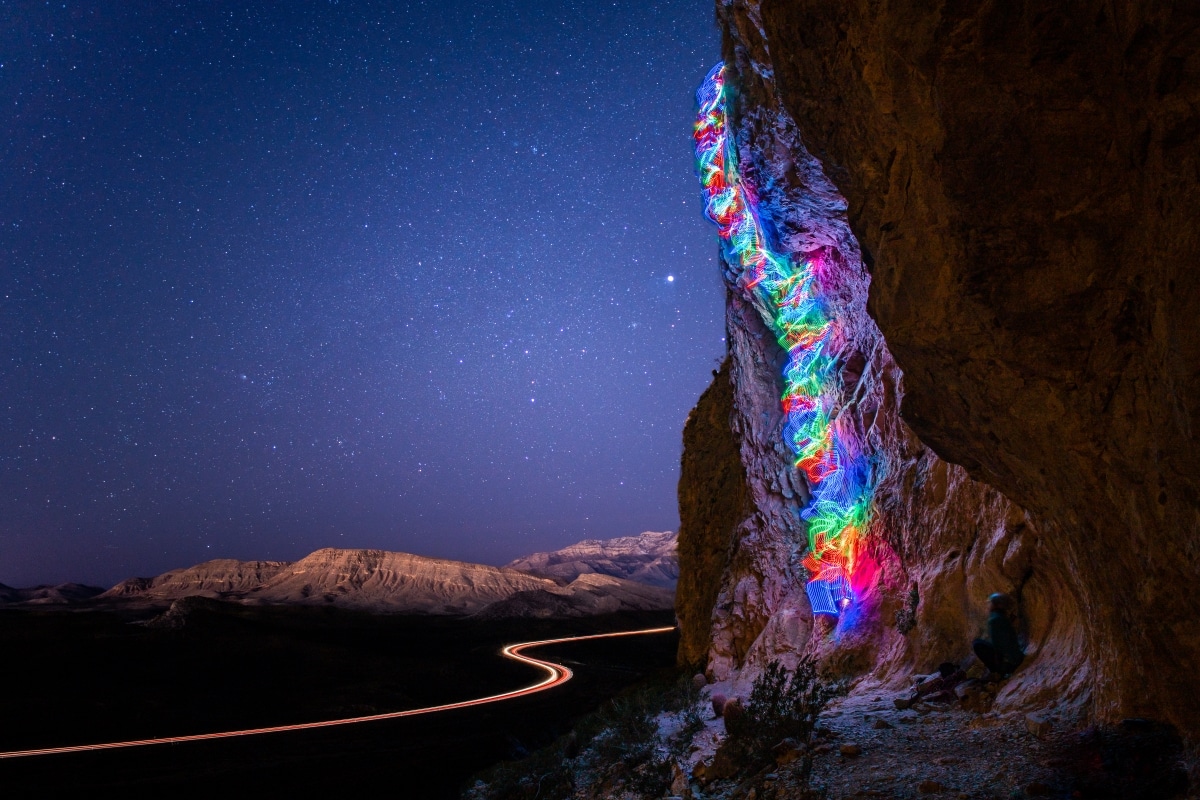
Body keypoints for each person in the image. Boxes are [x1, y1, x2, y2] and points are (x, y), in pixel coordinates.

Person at [973, 592, 1024, 678]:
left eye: (991, 603)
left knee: (977, 644)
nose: (989, 605)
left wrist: (1001, 661)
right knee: (978, 642)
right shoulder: (999, 616)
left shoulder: (995, 619)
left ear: (997, 605)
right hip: (1015, 657)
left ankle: (997, 671)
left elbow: (1001, 644)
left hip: (1011, 662)